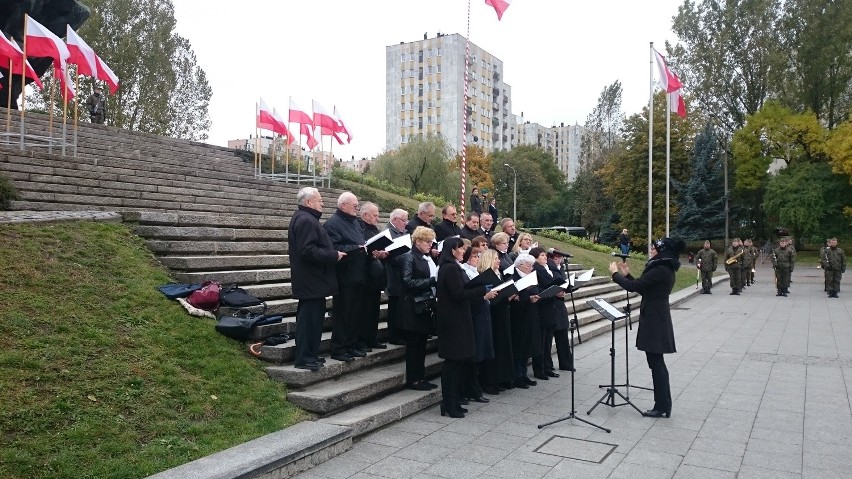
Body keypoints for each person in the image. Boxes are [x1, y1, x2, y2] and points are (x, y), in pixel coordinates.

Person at [609, 237, 685, 418]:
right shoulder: (664, 267)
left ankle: (662, 406)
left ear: (661, 250)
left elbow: (633, 287)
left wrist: (615, 275)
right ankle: (663, 404)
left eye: (653, 247)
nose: (651, 249)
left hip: (655, 320)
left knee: (657, 364)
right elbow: (645, 289)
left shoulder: (660, 269)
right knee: (656, 363)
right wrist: (627, 274)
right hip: (656, 316)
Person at [288, 187, 346, 371]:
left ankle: (310, 355)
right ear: (308, 202)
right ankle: (304, 358)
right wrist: (333, 255)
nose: (322, 203)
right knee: (308, 321)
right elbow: (307, 250)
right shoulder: (305, 220)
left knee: (314, 320)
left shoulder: (307, 218)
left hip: (313, 282)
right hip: (310, 281)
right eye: (319, 200)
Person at [435, 237, 493, 418]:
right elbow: (458, 293)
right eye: (461, 249)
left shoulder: (452, 267)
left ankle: (453, 402)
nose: (463, 251)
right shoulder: (450, 268)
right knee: (452, 363)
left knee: (457, 363)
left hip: (458, 319)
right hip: (453, 322)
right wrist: (481, 289)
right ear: (453, 250)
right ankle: (448, 403)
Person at [323, 192, 368, 362]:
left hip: (358, 275)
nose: (357, 208)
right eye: (355, 206)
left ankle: (351, 344)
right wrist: (357, 247)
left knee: (354, 313)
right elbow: (334, 248)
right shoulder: (333, 224)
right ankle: (340, 348)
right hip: (345, 277)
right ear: (343, 205)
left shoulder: (354, 223)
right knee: (343, 314)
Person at [399, 226, 439, 391]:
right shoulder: (409, 257)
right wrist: (431, 281)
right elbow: (407, 281)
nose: (430, 245)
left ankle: (420, 377)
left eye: (431, 242)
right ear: (418, 241)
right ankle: (413, 379)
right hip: (412, 306)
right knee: (414, 345)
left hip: (424, 304)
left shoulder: (425, 258)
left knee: (421, 344)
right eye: (428, 242)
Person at [477, 249, 516, 394]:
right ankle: (489, 381)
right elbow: (489, 298)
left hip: (502, 314)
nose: (499, 261)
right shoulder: (485, 276)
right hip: (492, 316)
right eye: (496, 259)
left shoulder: (497, 274)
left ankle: (500, 379)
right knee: (493, 348)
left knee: (502, 347)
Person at [460, 245, 494, 403]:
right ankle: (472, 389)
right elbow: (469, 295)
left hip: (482, 315)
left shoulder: (475, 273)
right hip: (474, 317)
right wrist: (484, 295)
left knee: (481, 353)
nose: (478, 259)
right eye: (475, 257)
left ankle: (475, 388)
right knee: (474, 356)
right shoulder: (465, 272)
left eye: (479, 257)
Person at [357, 202, 389, 352]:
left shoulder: (374, 229)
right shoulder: (359, 227)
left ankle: (372, 338)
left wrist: (382, 253)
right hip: (364, 276)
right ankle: (362, 340)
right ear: (365, 215)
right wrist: (372, 252)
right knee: (364, 312)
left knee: (374, 311)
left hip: (376, 278)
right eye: (375, 215)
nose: (377, 218)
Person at [509, 253, 541, 389]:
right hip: (518, 317)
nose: (531, 268)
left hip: (530, 315)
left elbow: (535, 289)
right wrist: (528, 299)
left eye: (531, 265)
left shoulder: (530, 277)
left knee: (527, 346)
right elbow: (514, 299)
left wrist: (535, 296)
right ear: (520, 265)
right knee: (519, 347)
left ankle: (524, 374)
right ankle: (517, 375)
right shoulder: (513, 277)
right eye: (528, 265)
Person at [530, 247, 559, 381]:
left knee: (548, 341)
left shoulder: (548, 267)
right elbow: (539, 287)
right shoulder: (536, 268)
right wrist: (554, 291)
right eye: (542, 255)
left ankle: (548, 367)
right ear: (535, 258)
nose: (545, 258)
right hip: (542, 308)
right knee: (541, 340)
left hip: (550, 307)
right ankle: (539, 369)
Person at [384, 208, 409, 345]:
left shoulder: (401, 232)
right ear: (395, 220)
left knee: (400, 308)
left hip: (402, 275)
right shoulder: (388, 233)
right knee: (394, 308)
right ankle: (394, 335)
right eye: (404, 220)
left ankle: (400, 333)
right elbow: (391, 255)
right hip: (394, 275)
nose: (406, 223)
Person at [546, 249, 573, 371]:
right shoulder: (549, 267)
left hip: (560, 304)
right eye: (555, 257)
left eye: (559, 257)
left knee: (562, 334)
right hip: (551, 304)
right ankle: (547, 365)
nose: (558, 259)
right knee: (549, 337)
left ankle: (566, 363)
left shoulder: (560, 267)